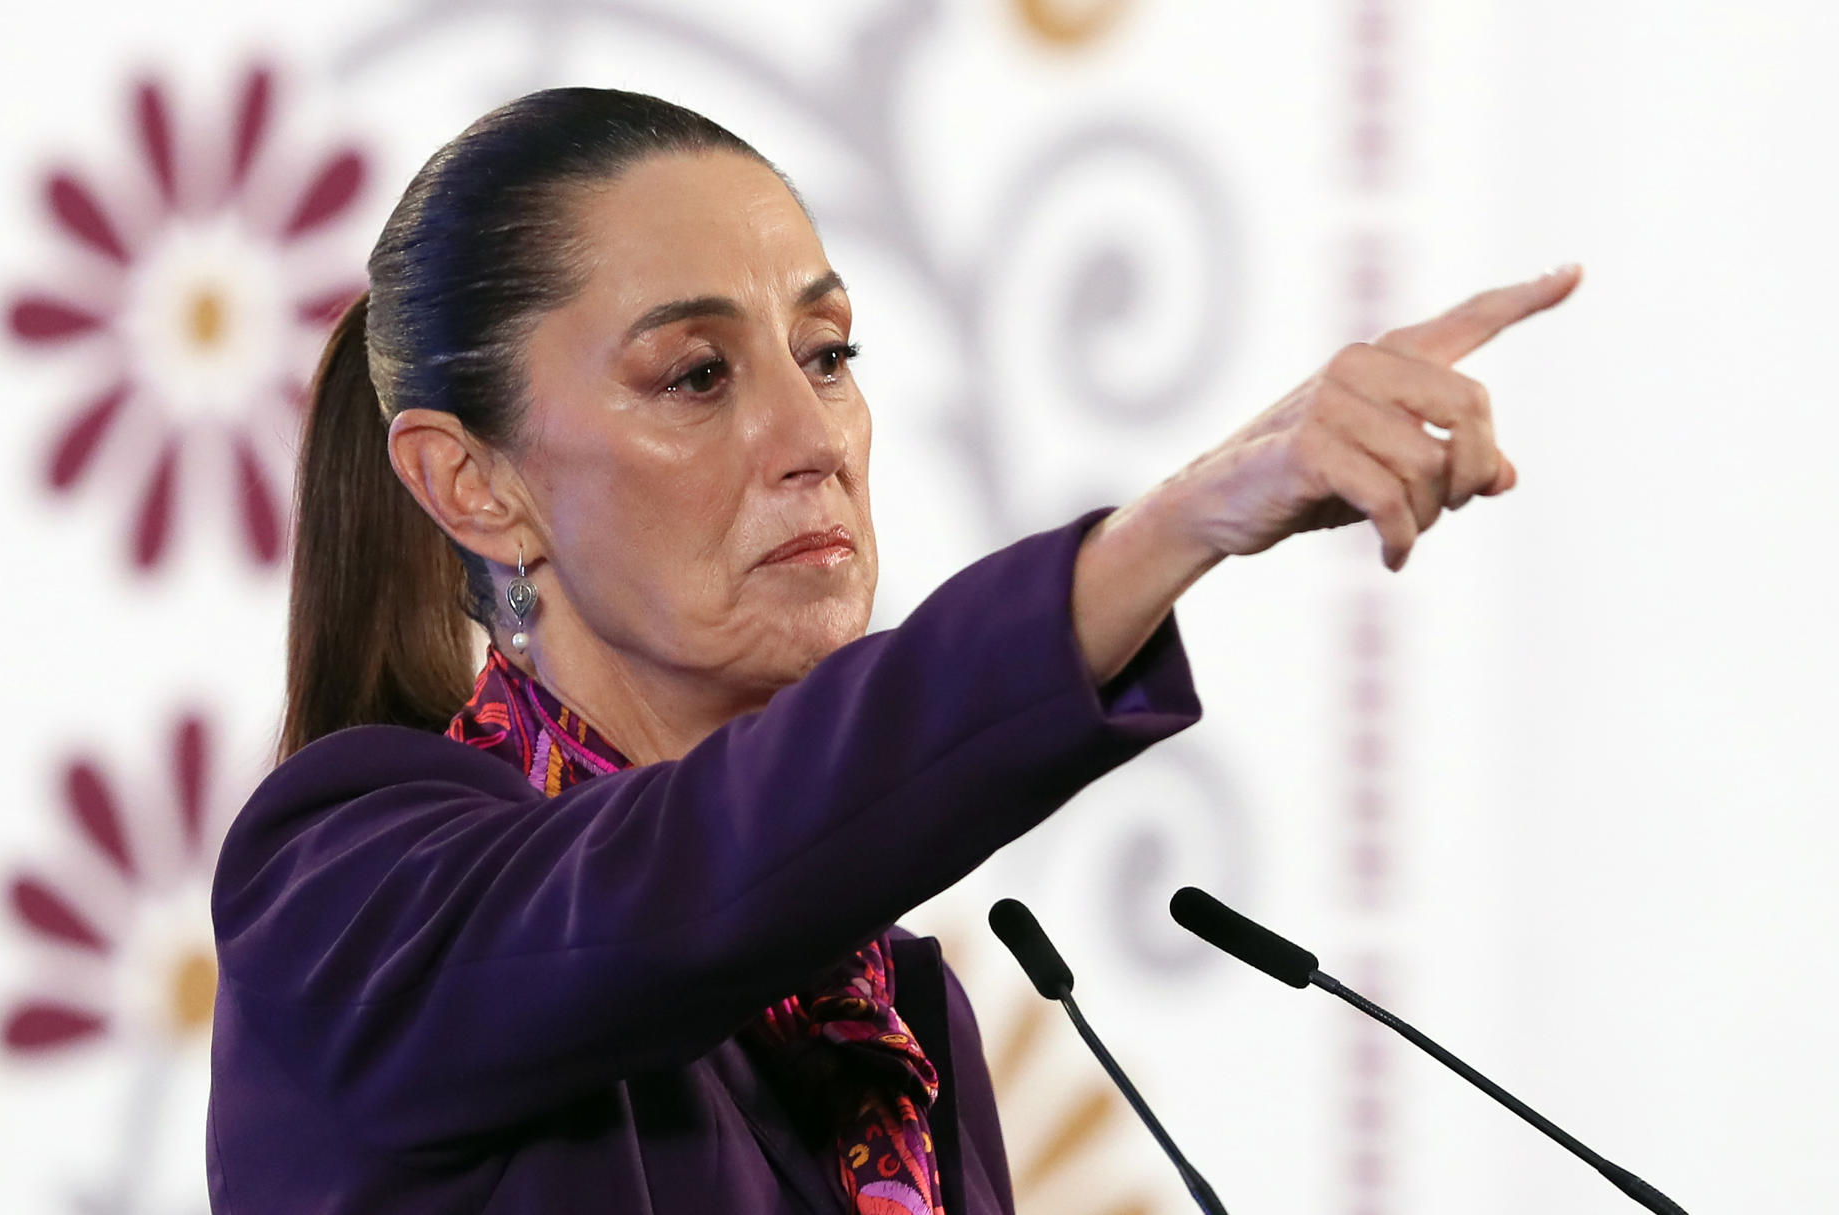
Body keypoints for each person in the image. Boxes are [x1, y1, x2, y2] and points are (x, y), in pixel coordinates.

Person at [205, 88, 1579, 1215]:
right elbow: (698, 870)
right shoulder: (349, 895)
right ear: (471, 484)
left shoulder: (890, 1015)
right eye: (696, 375)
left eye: (828, 352)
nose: (812, 442)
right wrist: (1180, 523)